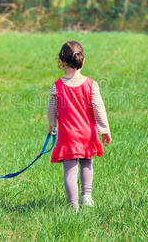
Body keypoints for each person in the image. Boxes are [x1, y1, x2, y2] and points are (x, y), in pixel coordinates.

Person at [47, 40, 111, 212]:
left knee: (70, 171)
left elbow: (52, 109)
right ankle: (87, 196)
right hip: (87, 135)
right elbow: (99, 108)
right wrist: (104, 130)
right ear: (83, 61)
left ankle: (72, 205)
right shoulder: (91, 85)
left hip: (68, 136)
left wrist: (52, 125)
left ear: (61, 62)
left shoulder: (57, 86)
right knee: (87, 163)